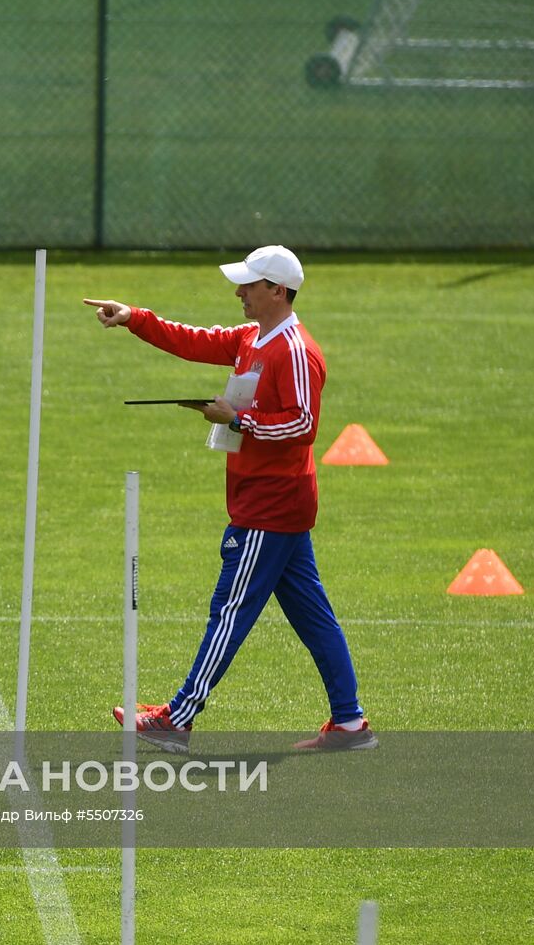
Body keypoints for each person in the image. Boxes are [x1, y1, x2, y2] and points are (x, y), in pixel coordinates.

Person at [84, 245, 374, 752]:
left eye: (249, 285)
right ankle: (349, 723)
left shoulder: (296, 350)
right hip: (265, 504)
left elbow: (304, 425)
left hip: (271, 508)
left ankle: (179, 717)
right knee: (312, 616)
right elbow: (194, 340)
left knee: (230, 610)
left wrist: (239, 419)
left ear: (277, 291)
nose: (239, 292)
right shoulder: (251, 337)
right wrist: (134, 318)